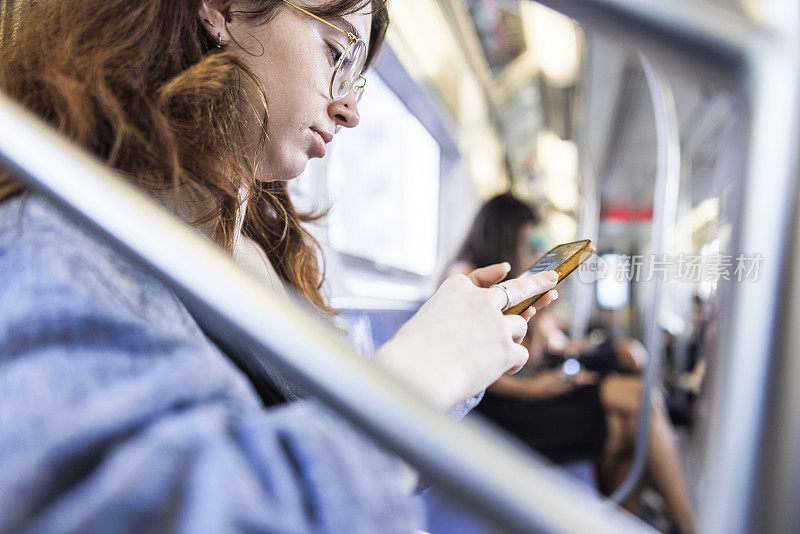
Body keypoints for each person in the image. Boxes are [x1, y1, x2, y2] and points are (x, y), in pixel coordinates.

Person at [0, 1, 560, 532]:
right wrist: (422, 375)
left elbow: (340, 453)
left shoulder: (264, 251)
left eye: (356, 80)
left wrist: (461, 356)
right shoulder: (58, 240)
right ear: (222, 8)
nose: (350, 109)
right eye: (338, 53)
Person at [446, 193, 696, 533]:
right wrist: (535, 389)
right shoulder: (465, 275)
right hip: (496, 413)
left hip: (519, 394)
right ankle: (689, 525)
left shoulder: (510, 280)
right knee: (637, 402)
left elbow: (528, 350)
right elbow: (470, 366)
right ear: (503, 233)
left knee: (628, 429)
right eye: (525, 239)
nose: (530, 248)